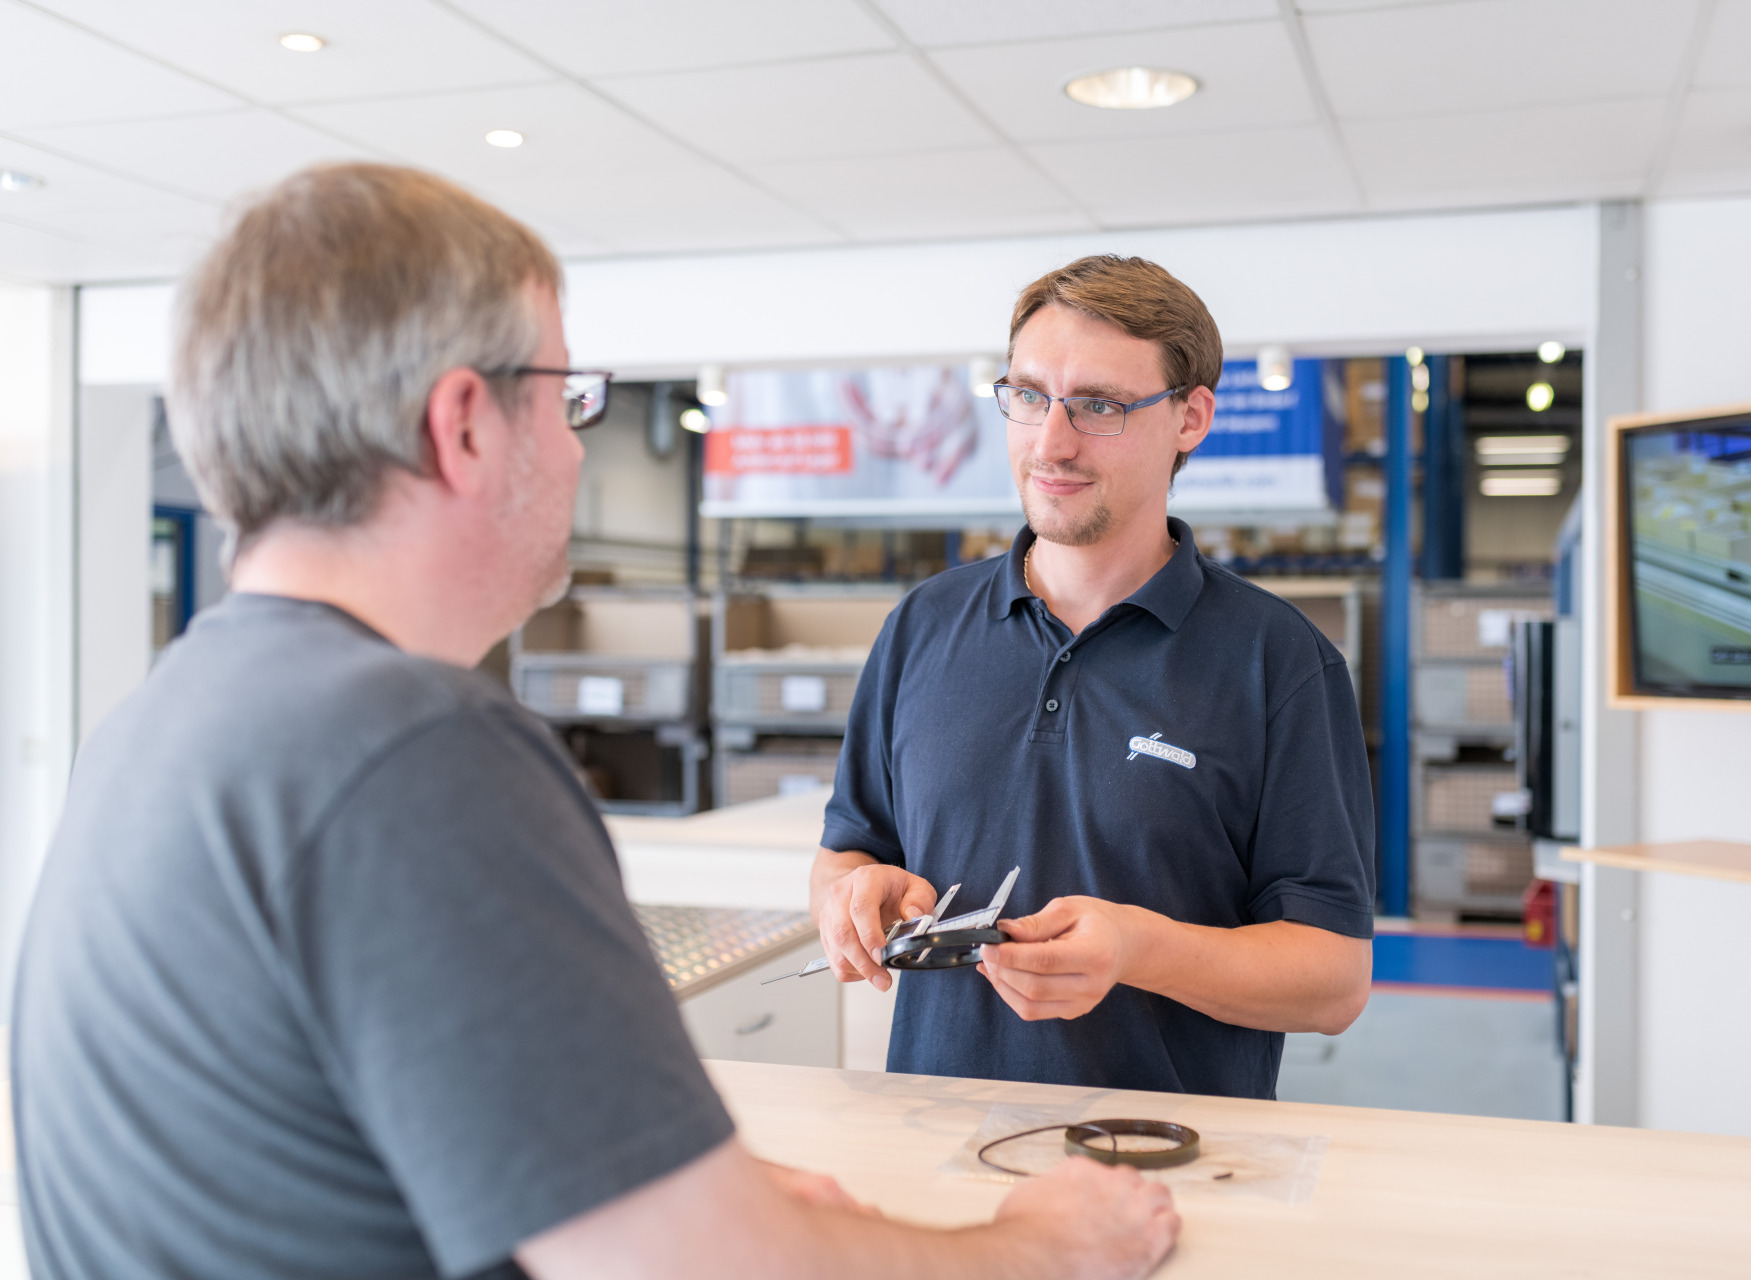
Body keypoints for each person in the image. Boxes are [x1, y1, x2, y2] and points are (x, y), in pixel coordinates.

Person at [9, 165, 1178, 1280]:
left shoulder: (160, 724)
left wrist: (703, 1190)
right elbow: (699, 1265)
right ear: (465, 423)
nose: (576, 445)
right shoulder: (419, 752)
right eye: (566, 398)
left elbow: (342, 1156)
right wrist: (1043, 1243)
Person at [812, 255, 1376, 1101]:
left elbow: (1333, 980)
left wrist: (1139, 950)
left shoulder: (1279, 663)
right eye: (1030, 396)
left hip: (1172, 1169)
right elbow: (848, 850)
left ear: (1191, 419)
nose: (1052, 442)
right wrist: (852, 898)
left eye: (1100, 406)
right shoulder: (921, 629)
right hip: (936, 1159)